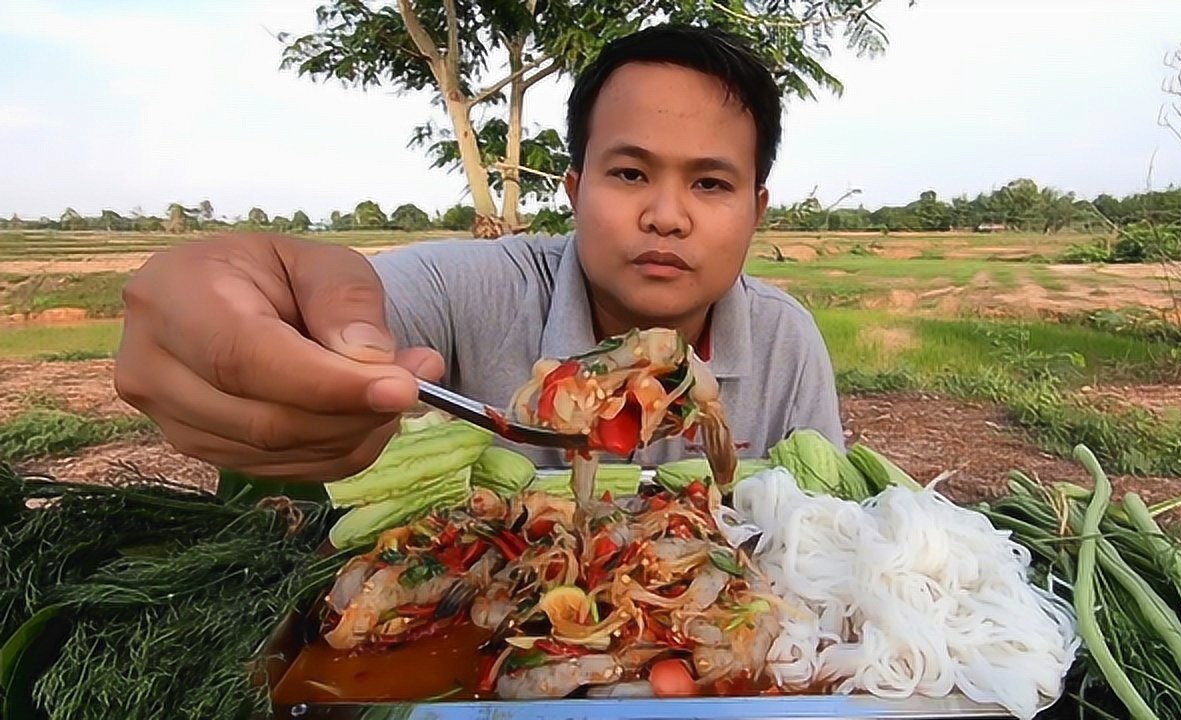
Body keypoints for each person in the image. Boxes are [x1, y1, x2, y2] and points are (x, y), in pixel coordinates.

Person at [113, 23, 844, 482]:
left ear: (755, 213)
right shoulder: (472, 291)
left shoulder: (786, 342)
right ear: (572, 188)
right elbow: (333, 303)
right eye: (629, 173)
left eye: (710, 183)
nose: (664, 215)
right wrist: (238, 307)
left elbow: (820, 527)